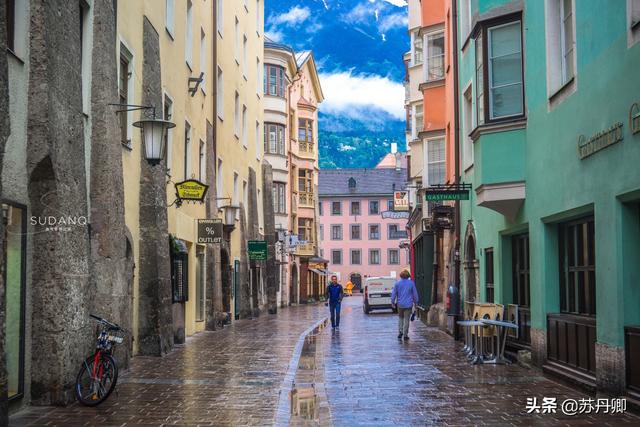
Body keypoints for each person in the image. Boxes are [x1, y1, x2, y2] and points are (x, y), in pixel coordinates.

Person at [391, 270, 419, 341]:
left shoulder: (397, 283)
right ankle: (405, 334)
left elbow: (394, 293)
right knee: (407, 319)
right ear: (408, 276)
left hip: (400, 304)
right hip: (408, 304)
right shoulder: (411, 283)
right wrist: (416, 302)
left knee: (400, 318)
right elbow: (415, 294)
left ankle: (400, 332)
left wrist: (392, 302)